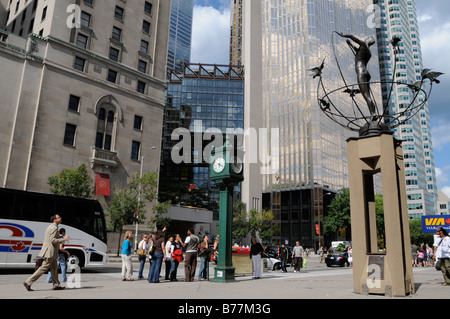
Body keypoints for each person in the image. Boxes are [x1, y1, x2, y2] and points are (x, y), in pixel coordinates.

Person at [23, 214, 70, 291]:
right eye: (58, 218)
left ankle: (56, 285)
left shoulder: (53, 227)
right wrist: (63, 240)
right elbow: (52, 240)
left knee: (54, 268)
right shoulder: (54, 228)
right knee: (43, 268)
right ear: (55, 220)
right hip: (50, 252)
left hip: (52, 253)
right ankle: (28, 282)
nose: (60, 218)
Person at [337, 32, 377, 119]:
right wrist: (350, 45)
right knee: (368, 96)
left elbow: (352, 36)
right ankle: (373, 113)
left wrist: (343, 35)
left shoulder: (363, 44)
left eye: (367, 38)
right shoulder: (368, 52)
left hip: (361, 72)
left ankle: (373, 114)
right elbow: (358, 52)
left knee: (366, 96)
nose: (365, 39)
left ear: (368, 41)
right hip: (366, 72)